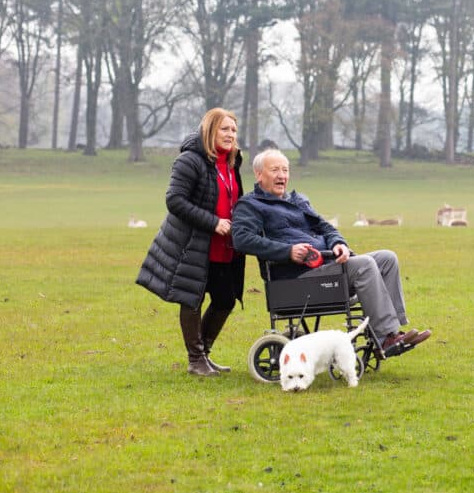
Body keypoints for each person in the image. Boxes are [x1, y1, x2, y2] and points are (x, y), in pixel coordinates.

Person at [231, 149, 430, 358]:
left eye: (285, 170)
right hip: (294, 280)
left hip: (325, 267)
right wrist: (288, 251)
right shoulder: (250, 205)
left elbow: (326, 227)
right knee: (364, 264)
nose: (282, 175)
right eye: (275, 170)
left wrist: (338, 243)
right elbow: (241, 239)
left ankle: (393, 331)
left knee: (387, 258)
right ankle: (386, 338)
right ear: (259, 174)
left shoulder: (298, 200)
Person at [136, 108, 245, 377]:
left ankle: (204, 354)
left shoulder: (232, 162)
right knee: (192, 299)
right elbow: (175, 200)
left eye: (233, 130)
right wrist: (213, 222)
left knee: (225, 299)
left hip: (224, 245)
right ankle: (196, 359)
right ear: (209, 130)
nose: (230, 134)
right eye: (224, 129)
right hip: (194, 244)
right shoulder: (190, 160)